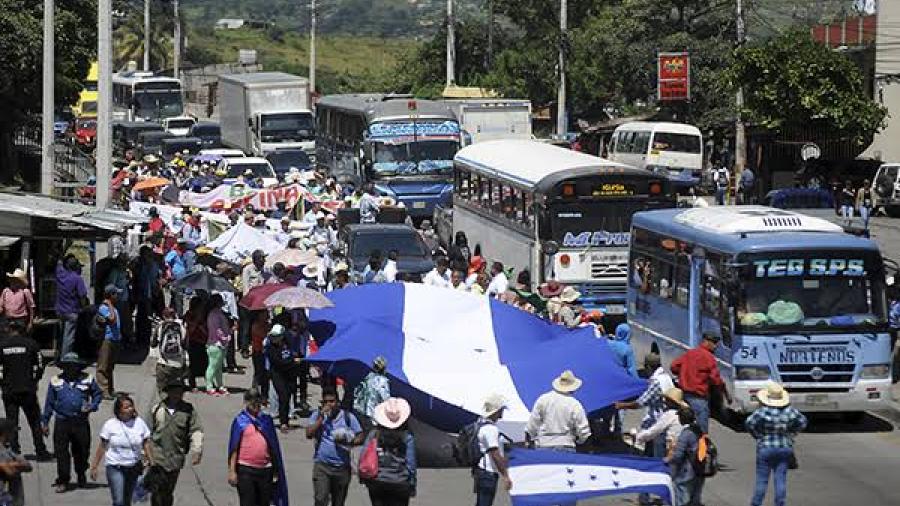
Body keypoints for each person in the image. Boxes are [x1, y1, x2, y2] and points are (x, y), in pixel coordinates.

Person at [41, 353, 103, 493]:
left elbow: (98, 394)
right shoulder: (56, 381)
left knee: (82, 451)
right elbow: (49, 403)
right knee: (61, 452)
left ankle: (81, 473)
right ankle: (63, 480)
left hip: (80, 422)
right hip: (62, 421)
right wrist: (45, 422)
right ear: (64, 367)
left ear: (78, 367)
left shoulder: (87, 379)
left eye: (74, 366)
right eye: (68, 366)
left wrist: (92, 406)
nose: (71, 369)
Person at [746, 381, 808, 506]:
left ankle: (756, 503)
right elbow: (803, 422)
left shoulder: (762, 412)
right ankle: (780, 503)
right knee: (780, 478)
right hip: (785, 447)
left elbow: (749, 423)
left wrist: (758, 435)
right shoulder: (790, 411)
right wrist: (791, 433)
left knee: (762, 479)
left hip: (766, 447)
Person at [0, 321, 51, 460]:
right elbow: (41, 364)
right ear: (22, 329)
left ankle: (14, 450)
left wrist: (2, 383)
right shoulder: (31, 344)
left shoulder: (2, 345)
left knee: (12, 422)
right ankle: (40, 450)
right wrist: (35, 380)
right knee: (34, 421)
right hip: (27, 389)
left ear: (9, 329)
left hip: (9, 389)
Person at [227, 389, 288, 506]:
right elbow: (234, 448)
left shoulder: (266, 421)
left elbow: (273, 447)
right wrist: (232, 471)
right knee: (248, 502)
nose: (255, 404)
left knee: (264, 503)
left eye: (257, 401)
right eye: (251, 401)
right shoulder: (240, 421)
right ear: (246, 402)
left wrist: (275, 470)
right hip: (245, 469)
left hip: (265, 470)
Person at [148, 381, 204, 506]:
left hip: (176, 458)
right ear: (168, 392)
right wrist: (145, 456)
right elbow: (146, 433)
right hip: (157, 458)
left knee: (168, 492)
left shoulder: (188, 410)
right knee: (157, 491)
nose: (177, 394)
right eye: (174, 391)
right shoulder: (157, 409)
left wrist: (197, 450)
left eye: (180, 392)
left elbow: (196, 430)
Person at [90, 395, 153, 506]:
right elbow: (102, 446)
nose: (130, 409)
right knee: (119, 501)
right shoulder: (110, 425)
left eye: (131, 406)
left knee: (127, 500)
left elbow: (146, 443)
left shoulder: (139, 423)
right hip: (115, 466)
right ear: (119, 410)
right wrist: (94, 466)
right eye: (126, 407)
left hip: (133, 467)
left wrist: (152, 462)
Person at [306, 386, 363, 506]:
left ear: (337, 402)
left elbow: (360, 436)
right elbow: (309, 434)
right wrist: (320, 420)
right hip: (322, 465)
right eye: (326, 402)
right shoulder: (317, 415)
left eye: (332, 401)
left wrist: (349, 441)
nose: (329, 405)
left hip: (341, 467)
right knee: (320, 499)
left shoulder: (348, 417)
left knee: (338, 502)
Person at [670, 333, 731, 433]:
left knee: (682, 426)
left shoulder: (690, 353)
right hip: (698, 398)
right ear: (706, 342)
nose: (715, 347)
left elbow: (674, 366)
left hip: (683, 396)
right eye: (714, 343)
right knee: (701, 432)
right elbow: (716, 380)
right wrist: (726, 395)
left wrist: (683, 373)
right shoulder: (709, 358)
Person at [362, 397, 417, 506]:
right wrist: (412, 483)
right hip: (400, 482)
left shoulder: (374, 434)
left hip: (378, 480)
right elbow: (410, 463)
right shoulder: (407, 437)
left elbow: (364, 455)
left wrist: (363, 476)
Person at [524, 370, 591, 451]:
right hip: (566, 445)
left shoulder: (543, 399)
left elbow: (532, 424)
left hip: (544, 444)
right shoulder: (574, 404)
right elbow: (584, 430)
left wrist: (529, 440)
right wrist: (580, 441)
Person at [475, 394, 512, 506]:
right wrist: (505, 475)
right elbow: (494, 453)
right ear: (496, 411)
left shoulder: (481, 425)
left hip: (482, 471)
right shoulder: (490, 429)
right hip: (488, 473)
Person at [266, 325, 303, 431]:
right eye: (273, 336)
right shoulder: (270, 348)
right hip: (278, 374)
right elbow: (278, 363)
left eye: (277, 336)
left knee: (289, 395)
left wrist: (296, 359)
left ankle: (286, 418)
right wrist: (293, 362)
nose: (274, 338)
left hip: (290, 374)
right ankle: (283, 422)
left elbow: (295, 352)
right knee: (283, 396)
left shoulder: (288, 342)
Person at [666, 408, 704, 506]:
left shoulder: (686, 434)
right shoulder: (698, 429)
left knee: (680, 488)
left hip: (690, 467)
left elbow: (678, 455)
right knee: (695, 495)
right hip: (701, 466)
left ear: (683, 418)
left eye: (679, 417)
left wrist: (668, 460)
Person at [55, 255, 88, 358]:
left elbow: (59, 262)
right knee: (68, 337)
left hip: (60, 311)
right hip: (72, 311)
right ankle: (65, 358)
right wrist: (83, 308)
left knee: (62, 335)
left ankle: (59, 355)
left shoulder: (61, 275)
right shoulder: (77, 279)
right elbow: (82, 296)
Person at [151, 308, 187, 395]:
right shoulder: (182, 327)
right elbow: (186, 345)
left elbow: (153, 344)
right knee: (176, 393)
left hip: (163, 364)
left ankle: (165, 407)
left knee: (163, 392)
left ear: (163, 316)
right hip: (178, 365)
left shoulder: (159, 326)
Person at [97, 285, 123, 400]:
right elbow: (112, 319)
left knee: (110, 366)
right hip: (107, 339)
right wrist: (109, 305)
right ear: (110, 295)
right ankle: (103, 390)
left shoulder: (114, 307)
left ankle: (110, 389)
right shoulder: (104, 308)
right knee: (103, 365)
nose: (117, 296)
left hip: (115, 339)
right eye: (116, 294)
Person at [353, 356, 392, 431]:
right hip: (373, 412)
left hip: (361, 409)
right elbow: (385, 398)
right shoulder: (383, 381)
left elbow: (357, 391)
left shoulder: (368, 377)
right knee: (373, 433)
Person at [0, 417, 32, 506]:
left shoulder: (9, 449)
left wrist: (10, 464)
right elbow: (10, 472)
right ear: (5, 433)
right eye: (12, 432)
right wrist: (16, 465)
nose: (14, 435)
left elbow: (28, 466)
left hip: (13, 499)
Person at [205, 294, 231, 395]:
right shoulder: (214, 314)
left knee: (219, 367)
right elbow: (217, 329)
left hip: (221, 344)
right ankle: (209, 386)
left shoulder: (218, 313)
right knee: (212, 366)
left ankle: (220, 385)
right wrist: (224, 337)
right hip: (215, 343)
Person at [183, 295, 209, 391]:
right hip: (192, 342)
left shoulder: (203, 315)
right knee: (192, 365)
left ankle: (209, 383)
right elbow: (190, 329)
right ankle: (192, 384)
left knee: (205, 363)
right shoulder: (188, 315)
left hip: (202, 341)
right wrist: (197, 322)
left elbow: (206, 329)